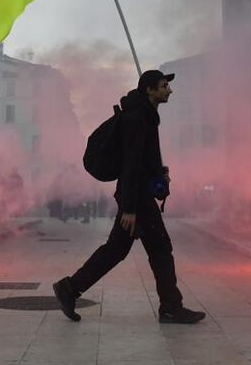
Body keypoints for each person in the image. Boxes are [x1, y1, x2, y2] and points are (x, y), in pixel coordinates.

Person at [53, 70, 206, 324]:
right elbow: (130, 165)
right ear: (149, 90)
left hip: (137, 196)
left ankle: (69, 288)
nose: (170, 90)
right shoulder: (137, 119)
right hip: (137, 199)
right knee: (160, 248)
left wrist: (159, 174)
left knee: (116, 250)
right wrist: (130, 208)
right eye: (164, 85)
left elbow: (143, 161)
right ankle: (170, 306)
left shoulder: (145, 116)